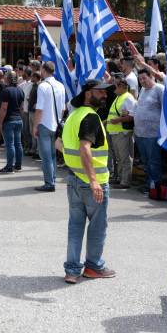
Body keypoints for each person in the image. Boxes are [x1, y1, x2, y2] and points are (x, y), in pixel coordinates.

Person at [58, 79, 116, 283]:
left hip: (73, 179)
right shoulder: (90, 117)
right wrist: (93, 181)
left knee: (75, 226)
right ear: (88, 93)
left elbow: (59, 143)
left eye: (106, 93)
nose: (105, 96)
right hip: (93, 182)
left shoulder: (74, 115)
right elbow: (84, 148)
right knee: (97, 227)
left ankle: (72, 271)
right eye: (100, 92)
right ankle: (93, 267)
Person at [33, 62, 66, 192]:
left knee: (46, 156)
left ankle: (49, 183)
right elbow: (63, 108)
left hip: (45, 124)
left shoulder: (43, 86)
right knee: (52, 155)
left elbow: (39, 109)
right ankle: (51, 180)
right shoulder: (61, 86)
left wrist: (35, 126)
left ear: (43, 70)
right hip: (56, 124)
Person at [133, 69, 164, 195]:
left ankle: (156, 185)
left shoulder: (159, 89)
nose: (142, 81)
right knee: (145, 160)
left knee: (154, 160)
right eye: (140, 79)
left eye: (144, 78)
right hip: (140, 133)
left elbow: (164, 109)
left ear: (151, 77)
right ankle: (149, 183)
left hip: (153, 133)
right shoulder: (142, 90)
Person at [106, 77, 136, 189]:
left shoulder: (127, 98)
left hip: (123, 133)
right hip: (116, 133)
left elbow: (132, 116)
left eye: (114, 85)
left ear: (121, 86)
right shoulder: (119, 97)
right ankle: (120, 178)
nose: (113, 87)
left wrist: (118, 120)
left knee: (125, 158)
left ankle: (125, 181)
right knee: (119, 158)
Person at [0, 72, 24, 173]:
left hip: (9, 120)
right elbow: (22, 108)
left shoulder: (6, 91)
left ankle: (9, 166)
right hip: (18, 120)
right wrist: (21, 119)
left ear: (7, 79)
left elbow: (4, 108)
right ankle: (18, 165)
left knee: (10, 145)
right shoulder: (20, 90)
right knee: (18, 143)